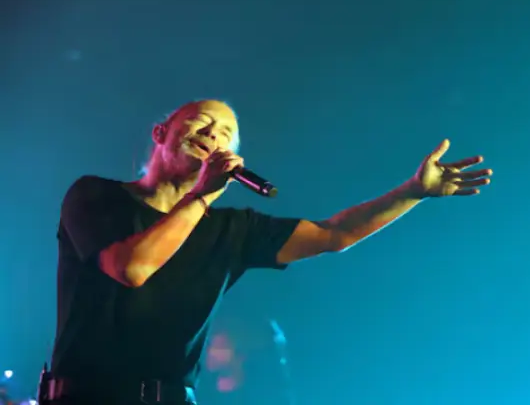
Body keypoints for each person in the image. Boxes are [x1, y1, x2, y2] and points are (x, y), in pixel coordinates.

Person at [45, 99, 492, 404]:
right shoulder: (95, 196)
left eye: (226, 134)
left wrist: (412, 192)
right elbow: (132, 267)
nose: (213, 134)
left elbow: (332, 234)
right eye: (202, 122)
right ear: (161, 133)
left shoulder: (233, 229)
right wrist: (201, 197)